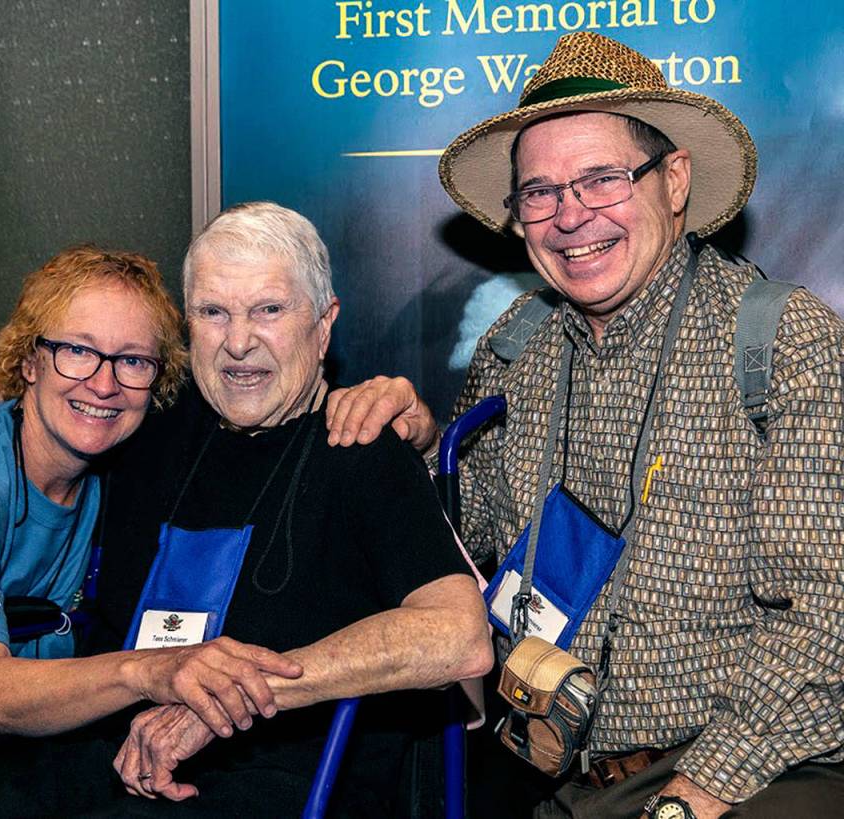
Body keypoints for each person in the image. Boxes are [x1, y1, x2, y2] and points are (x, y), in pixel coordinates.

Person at [326, 31, 844, 819]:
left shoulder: (782, 344)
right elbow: (472, 548)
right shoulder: (515, 351)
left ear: (673, 182)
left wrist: (695, 793)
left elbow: (828, 621)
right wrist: (430, 443)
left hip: (761, 775)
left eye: (601, 179)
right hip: (557, 779)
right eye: (539, 191)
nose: (570, 216)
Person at [0, 203, 493, 817]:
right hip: (98, 747)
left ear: (323, 324)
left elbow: (459, 637)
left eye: (269, 309)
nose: (239, 342)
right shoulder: (148, 422)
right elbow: (58, 373)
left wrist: (229, 697)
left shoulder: (361, 445)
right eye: (213, 312)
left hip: (281, 772)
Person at [0, 246, 304, 818]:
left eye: (131, 361)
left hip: (11, 780)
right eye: (77, 350)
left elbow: (273, 401)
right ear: (30, 360)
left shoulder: (121, 466)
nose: (104, 384)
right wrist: (152, 670)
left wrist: (389, 409)